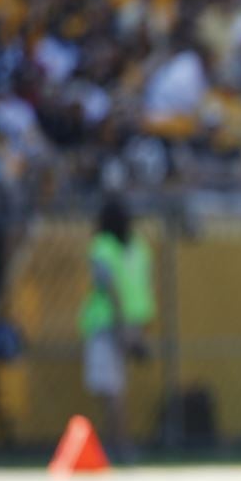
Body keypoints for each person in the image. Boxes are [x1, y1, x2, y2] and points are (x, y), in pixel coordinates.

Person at [78, 194, 155, 463]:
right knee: (115, 388)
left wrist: (122, 325)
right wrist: (138, 328)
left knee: (110, 390)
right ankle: (119, 444)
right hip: (133, 323)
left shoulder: (102, 247)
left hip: (108, 324)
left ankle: (119, 446)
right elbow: (144, 287)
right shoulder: (139, 247)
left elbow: (108, 287)